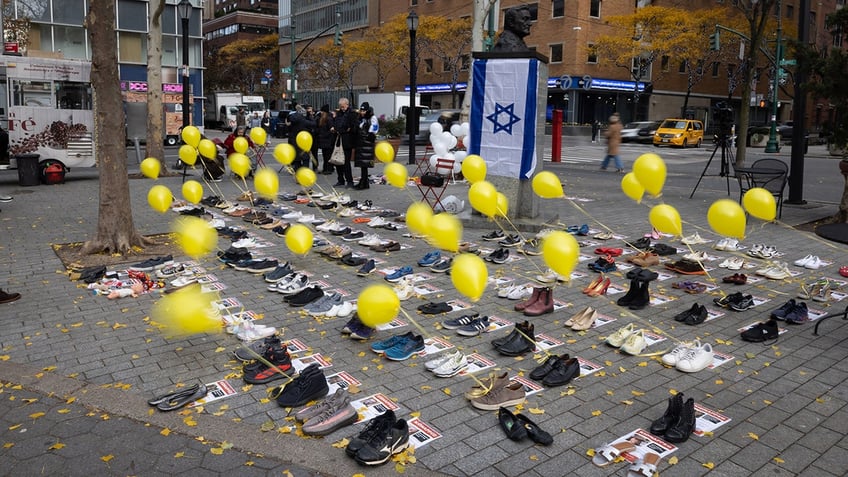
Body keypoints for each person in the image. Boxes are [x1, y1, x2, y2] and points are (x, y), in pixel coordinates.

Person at [331, 97, 358, 188]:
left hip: (347, 141)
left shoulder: (352, 114)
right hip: (338, 139)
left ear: (347, 104)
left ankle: (349, 181)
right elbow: (337, 125)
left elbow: (351, 127)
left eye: (343, 106)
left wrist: (344, 129)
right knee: (337, 161)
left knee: (346, 162)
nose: (342, 108)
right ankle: (340, 180)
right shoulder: (339, 114)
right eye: (341, 106)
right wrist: (339, 129)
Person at [354, 102, 378, 190]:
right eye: (361, 110)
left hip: (367, 143)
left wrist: (368, 137)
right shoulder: (361, 118)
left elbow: (374, 129)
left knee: (365, 164)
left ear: (367, 110)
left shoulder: (372, 118)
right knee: (362, 164)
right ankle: (364, 181)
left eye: (364, 111)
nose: (362, 112)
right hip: (361, 143)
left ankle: (364, 182)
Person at [287, 104, 316, 170]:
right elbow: (313, 124)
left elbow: (288, 128)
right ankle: (304, 172)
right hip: (304, 142)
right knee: (305, 159)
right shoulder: (303, 121)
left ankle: (297, 172)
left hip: (295, 141)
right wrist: (310, 116)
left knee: (297, 159)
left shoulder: (292, 118)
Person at [316, 104, 336, 174]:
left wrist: (324, 135)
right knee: (325, 155)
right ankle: (325, 168)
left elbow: (331, 130)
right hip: (325, 140)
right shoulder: (323, 118)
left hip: (328, 140)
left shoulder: (329, 119)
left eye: (322, 111)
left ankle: (328, 169)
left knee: (328, 156)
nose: (321, 112)